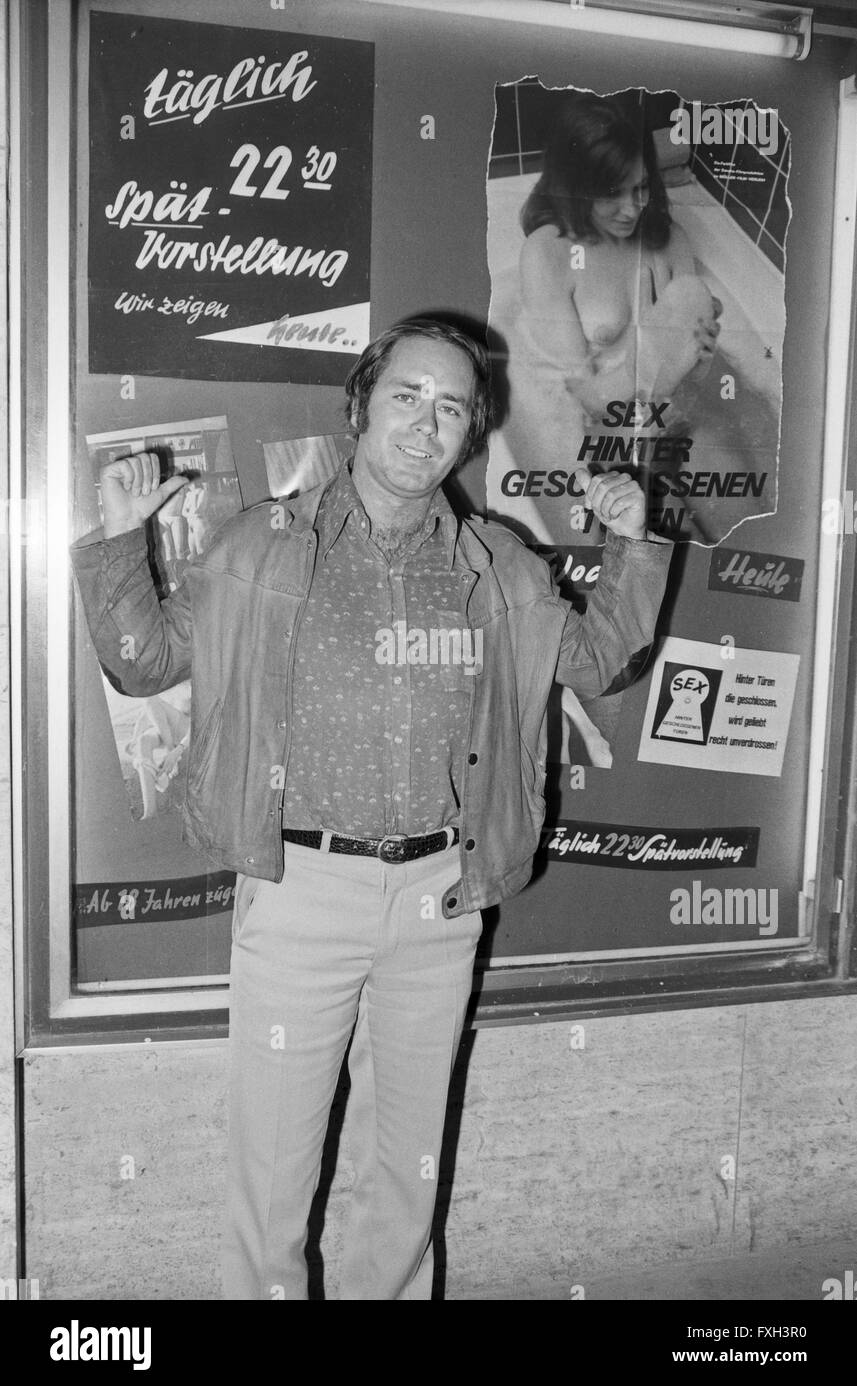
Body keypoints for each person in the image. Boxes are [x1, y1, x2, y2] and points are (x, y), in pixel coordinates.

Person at [71, 317, 673, 1300]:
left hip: (440, 899)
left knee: (405, 1172)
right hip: (299, 889)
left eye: (449, 407)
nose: (423, 423)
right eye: (406, 395)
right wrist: (114, 537)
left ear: (469, 433)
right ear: (360, 405)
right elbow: (143, 662)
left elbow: (595, 658)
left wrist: (632, 542)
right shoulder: (256, 546)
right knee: (272, 1178)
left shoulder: (500, 564)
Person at [493, 91, 780, 548]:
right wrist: (645, 352)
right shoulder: (549, 253)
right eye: (612, 192)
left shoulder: (669, 240)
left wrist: (698, 351)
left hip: (683, 407)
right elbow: (576, 389)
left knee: (748, 539)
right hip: (605, 427)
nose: (631, 208)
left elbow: (691, 363)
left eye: (641, 187)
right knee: (660, 561)